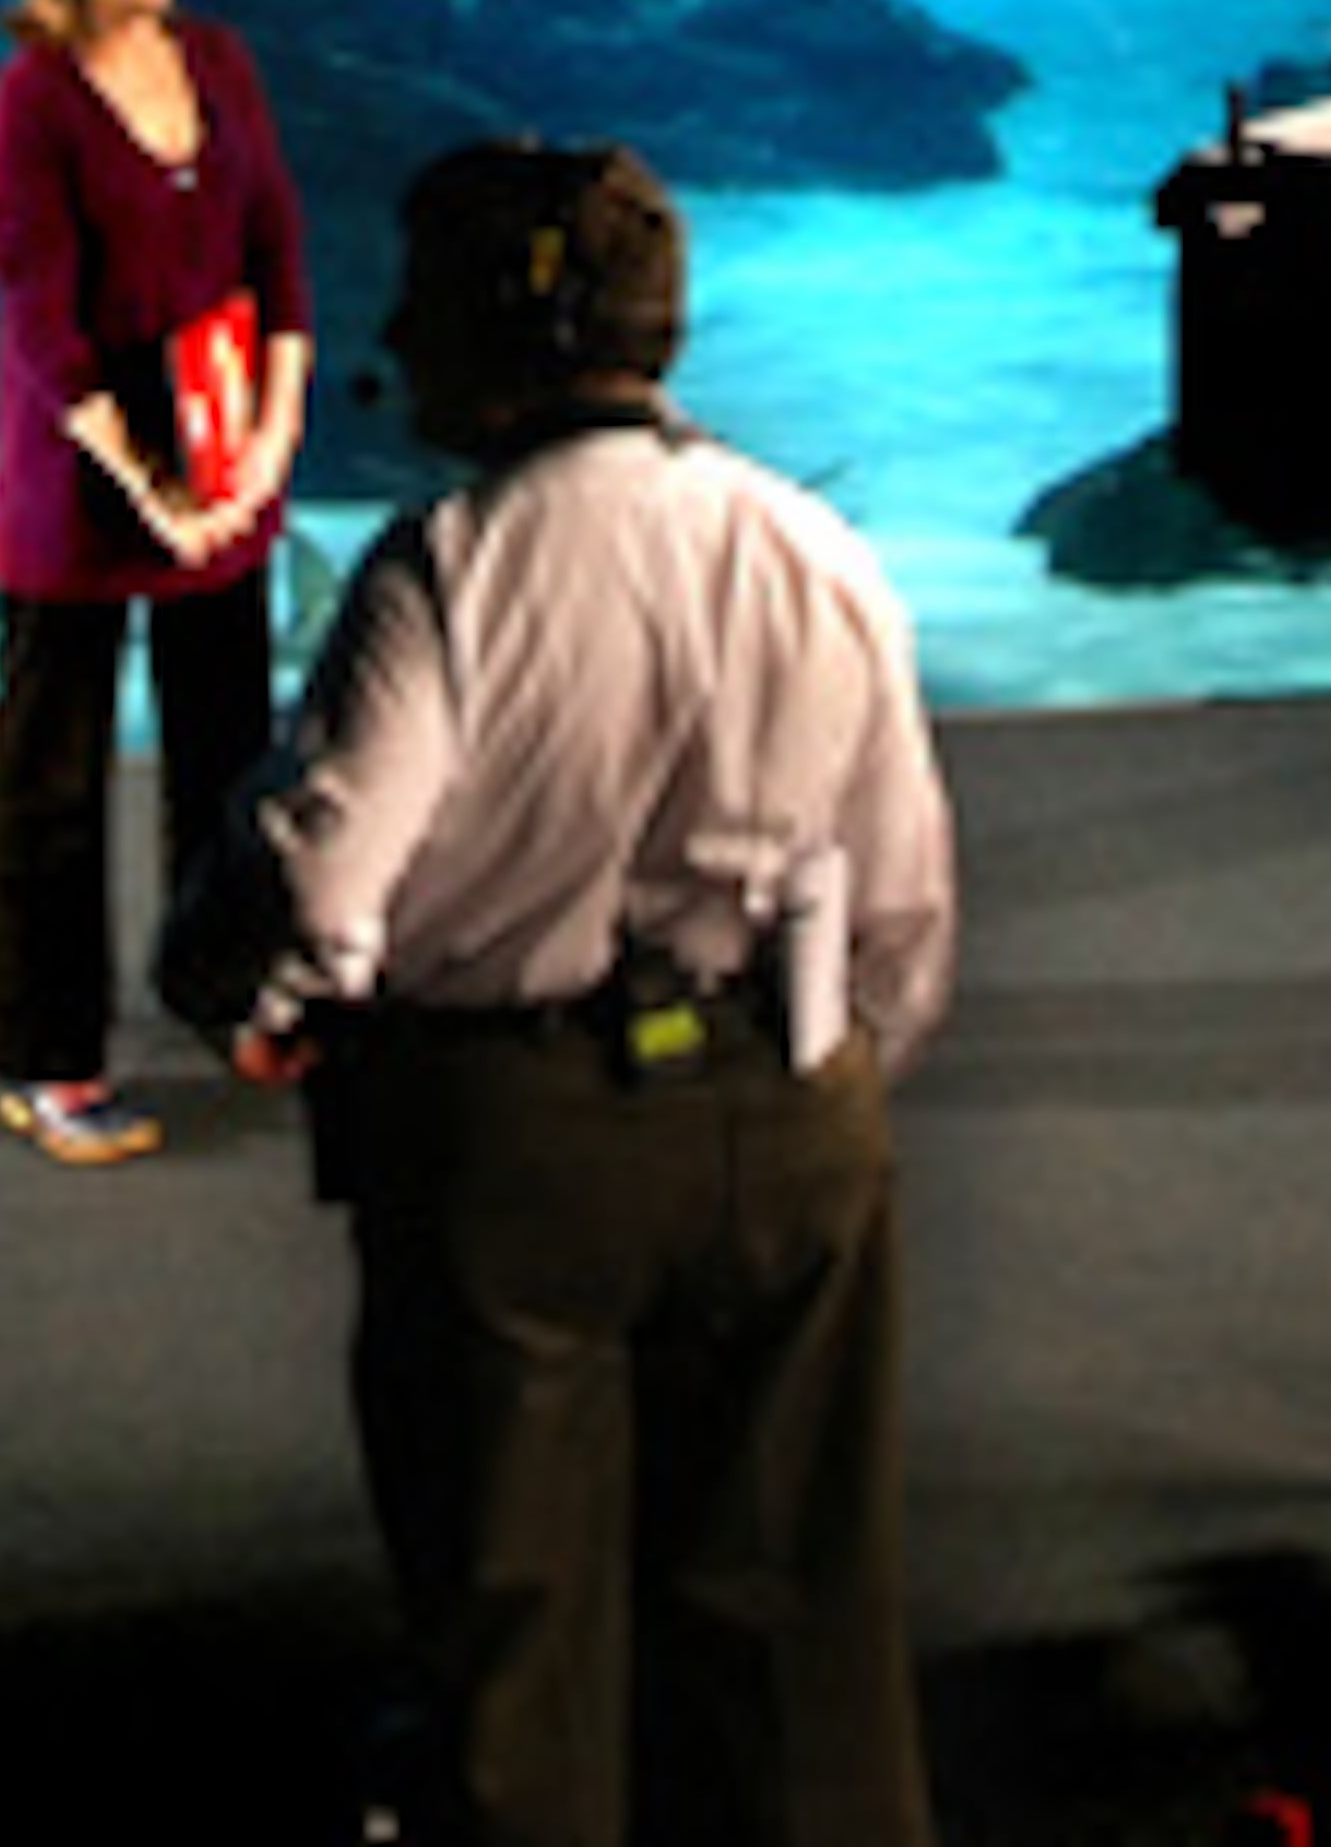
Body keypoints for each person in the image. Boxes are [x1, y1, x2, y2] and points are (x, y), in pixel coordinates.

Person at [162, 136, 956, 1847]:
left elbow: (324, 881)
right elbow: (904, 902)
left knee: (518, 1651)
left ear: (495, 323)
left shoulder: (447, 561)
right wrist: (823, 1079)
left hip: (508, 1142)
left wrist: (250, 983)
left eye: (420, 296)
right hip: (799, 1115)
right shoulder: (817, 547)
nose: (391, 332)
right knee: (807, 1643)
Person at [0, 0, 314, 1167]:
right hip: (83, 484)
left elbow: (277, 249)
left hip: (224, 473)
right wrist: (148, 482)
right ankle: (50, 1052)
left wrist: (274, 437)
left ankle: (228, 992)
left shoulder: (221, 58)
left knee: (232, 759)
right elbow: (39, 320)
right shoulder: (32, 98)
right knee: (49, 783)